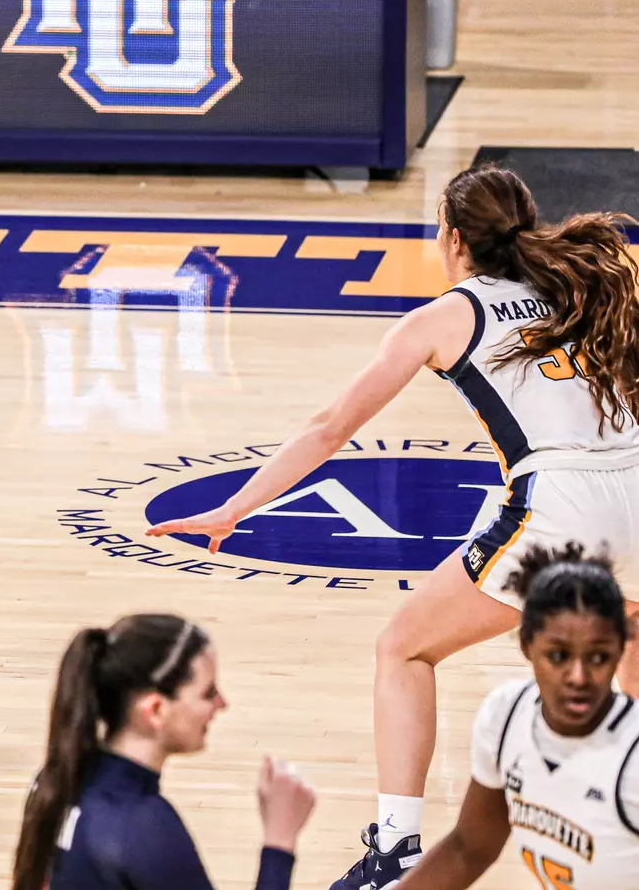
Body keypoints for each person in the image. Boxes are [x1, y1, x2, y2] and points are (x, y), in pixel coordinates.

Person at [147, 165, 639, 887]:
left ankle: (395, 849)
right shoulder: (578, 287)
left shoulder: (443, 317)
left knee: (402, 648)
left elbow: (328, 429)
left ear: (451, 236)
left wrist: (232, 510)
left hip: (561, 503)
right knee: (627, 663)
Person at [11, 614, 319, 890]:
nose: (222, 704)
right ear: (156, 710)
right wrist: (280, 840)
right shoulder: (143, 826)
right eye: (207, 693)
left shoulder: (59, 777)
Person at [397, 543, 639, 890]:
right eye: (558, 655)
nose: (578, 677)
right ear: (527, 646)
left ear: (619, 651)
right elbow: (469, 848)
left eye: (598, 658)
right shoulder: (507, 716)